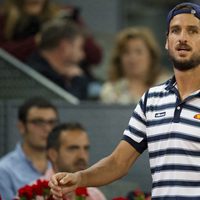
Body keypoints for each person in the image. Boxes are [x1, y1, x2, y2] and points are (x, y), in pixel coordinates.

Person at [49, 2, 200, 200]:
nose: (182, 38)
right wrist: (80, 178)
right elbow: (118, 163)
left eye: (193, 31)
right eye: (175, 30)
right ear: (167, 41)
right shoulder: (151, 99)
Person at [0, 0, 102, 69]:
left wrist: (72, 26)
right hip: (24, 78)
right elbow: (3, 56)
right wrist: (37, 41)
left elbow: (95, 56)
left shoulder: (63, 15)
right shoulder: (6, 19)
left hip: (68, 80)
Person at [0, 97, 59, 199]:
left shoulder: (61, 163)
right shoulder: (4, 170)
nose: (47, 129)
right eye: (38, 122)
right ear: (22, 127)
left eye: (51, 122)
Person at [100, 27, 170, 105]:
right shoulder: (110, 90)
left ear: (151, 56)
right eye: (126, 52)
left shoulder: (167, 86)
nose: (133, 58)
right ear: (119, 58)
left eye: (138, 52)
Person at [26, 19, 88, 100]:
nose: (83, 55)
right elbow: (68, 109)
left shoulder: (59, 75)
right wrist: (77, 81)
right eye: (80, 47)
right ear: (65, 46)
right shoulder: (37, 78)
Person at [46, 123, 106, 200]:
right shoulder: (35, 194)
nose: (82, 156)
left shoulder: (94, 195)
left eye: (86, 148)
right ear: (53, 154)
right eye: (73, 148)